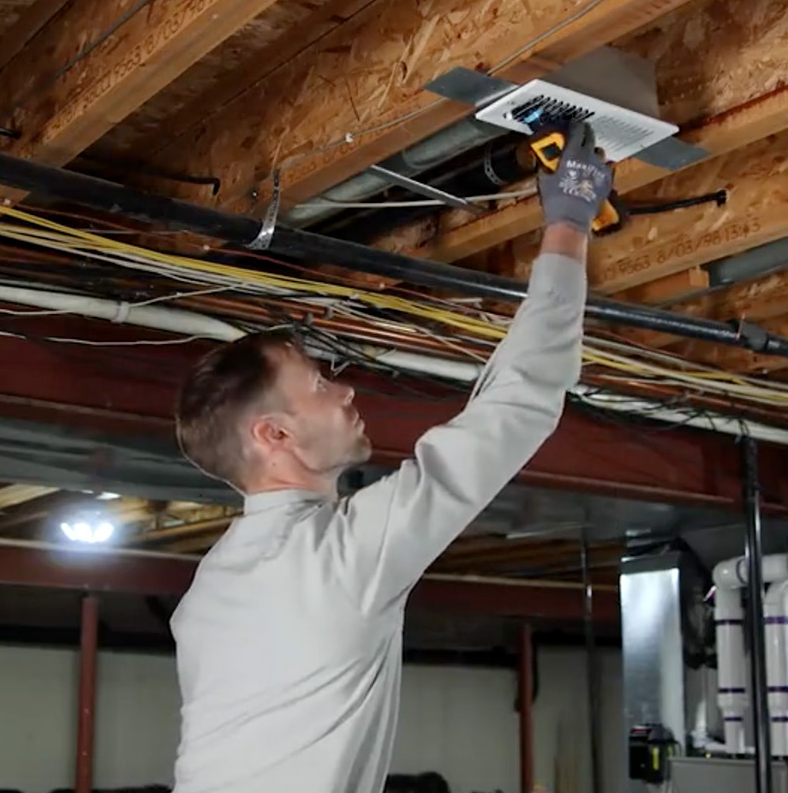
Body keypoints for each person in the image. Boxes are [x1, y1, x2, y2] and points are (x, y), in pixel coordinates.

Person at [168, 122, 612, 793]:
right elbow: (514, 410)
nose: (344, 389)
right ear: (274, 436)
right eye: (319, 385)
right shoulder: (339, 562)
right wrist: (567, 227)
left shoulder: (207, 594)